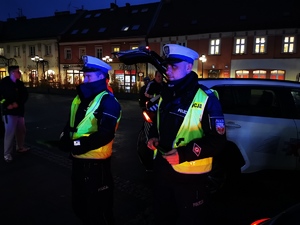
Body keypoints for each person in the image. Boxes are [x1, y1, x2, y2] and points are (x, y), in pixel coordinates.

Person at [147, 44, 227, 225]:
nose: (168, 70)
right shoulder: (167, 93)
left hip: (190, 178)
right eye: (167, 66)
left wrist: (184, 153)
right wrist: (153, 136)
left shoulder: (207, 98)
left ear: (189, 67)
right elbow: (159, 123)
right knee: (163, 216)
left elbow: (218, 141)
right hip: (162, 170)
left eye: (174, 66)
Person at [59, 55, 122, 225]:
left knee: (99, 210)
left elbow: (105, 134)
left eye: (89, 76)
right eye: (84, 76)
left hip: (96, 164)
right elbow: (72, 122)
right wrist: (65, 137)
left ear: (101, 76)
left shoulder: (108, 101)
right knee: (80, 206)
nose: (84, 79)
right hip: (78, 160)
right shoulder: (80, 98)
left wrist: (76, 144)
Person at [0, 65, 29, 163]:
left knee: (21, 130)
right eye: (18, 72)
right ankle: (7, 154)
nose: (20, 73)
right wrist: (6, 104)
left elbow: (25, 95)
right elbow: (1, 97)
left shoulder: (19, 84)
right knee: (10, 133)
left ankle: (20, 147)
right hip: (9, 113)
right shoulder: (4, 83)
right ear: (12, 73)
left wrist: (18, 103)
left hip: (19, 112)